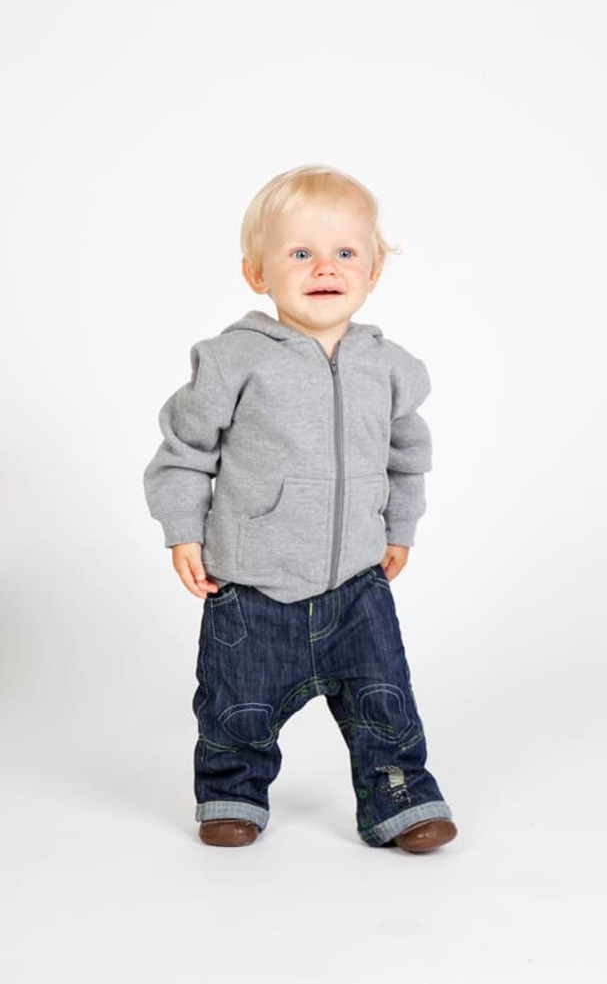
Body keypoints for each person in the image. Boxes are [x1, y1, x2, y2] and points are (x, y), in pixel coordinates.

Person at [143, 164, 457, 852]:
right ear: (257, 273)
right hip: (252, 589)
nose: (325, 267)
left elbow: (408, 455)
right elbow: (185, 449)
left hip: (357, 585)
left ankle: (400, 795)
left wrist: (399, 526)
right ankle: (231, 790)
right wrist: (182, 531)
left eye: (346, 252)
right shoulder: (234, 359)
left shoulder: (391, 365)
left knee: (384, 700)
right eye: (300, 253)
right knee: (236, 706)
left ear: (372, 272)